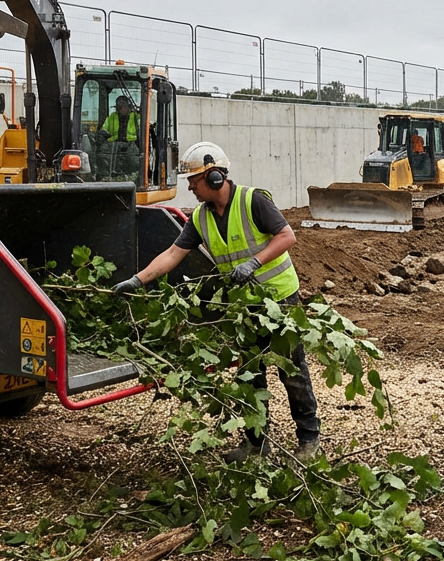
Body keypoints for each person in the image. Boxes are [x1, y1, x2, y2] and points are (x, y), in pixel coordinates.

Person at [112, 142, 321, 463]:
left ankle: (308, 440)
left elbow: (286, 236)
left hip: (280, 300)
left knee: (291, 371)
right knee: (249, 374)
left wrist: (253, 263)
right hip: (243, 308)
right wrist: (138, 280)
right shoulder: (200, 218)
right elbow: (172, 254)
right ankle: (256, 444)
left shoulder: (253, 201)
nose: (190, 187)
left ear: (213, 178)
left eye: (194, 181)